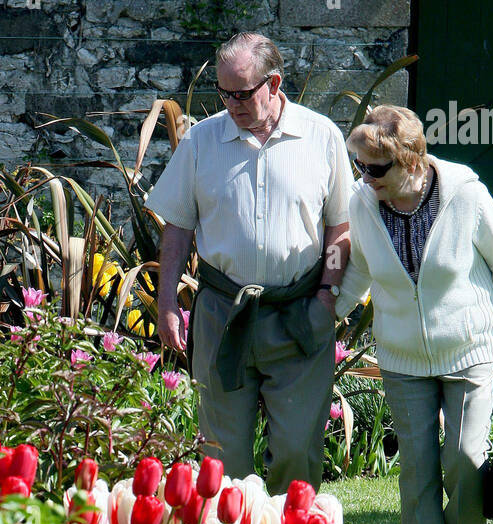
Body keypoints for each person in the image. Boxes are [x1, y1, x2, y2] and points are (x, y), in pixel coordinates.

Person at [335, 105, 493, 524]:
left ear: (412, 159)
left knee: (464, 458)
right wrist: (324, 313)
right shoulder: (363, 202)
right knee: (417, 467)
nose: (365, 176)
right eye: (359, 165)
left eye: (376, 167)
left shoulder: (466, 195)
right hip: (402, 356)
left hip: (469, 347)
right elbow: (358, 270)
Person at [146, 32, 354, 494]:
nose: (232, 103)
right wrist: (166, 306)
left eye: (242, 93)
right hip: (223, 316)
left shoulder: (320, 137)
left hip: (299, 315)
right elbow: (177, 229)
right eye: (223, 93)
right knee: (222, 457)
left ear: (274, 83)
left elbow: (340, 229)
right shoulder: (202, 141)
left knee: (299, 452)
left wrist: (327, 298)